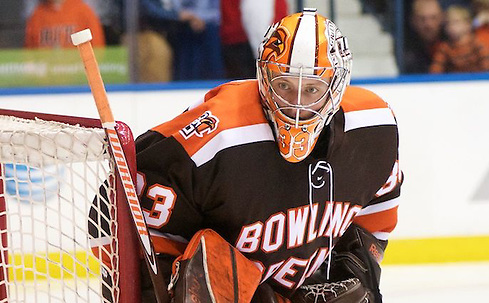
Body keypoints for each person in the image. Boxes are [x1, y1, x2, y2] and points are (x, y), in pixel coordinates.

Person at [91, 8, 402, 302]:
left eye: (312, 90)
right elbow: (111, 211)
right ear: (263, 79)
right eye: (284, 85)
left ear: (337, 86)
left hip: (289, 289)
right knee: (208, 265)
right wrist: (161, 288)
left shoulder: (373, 127)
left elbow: (375, 218)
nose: (296, 105)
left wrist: (353, 272)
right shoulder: (219, 133)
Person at [430, 5, 489, 73]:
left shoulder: (477, 45)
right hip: (453, 82)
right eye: (448, 23)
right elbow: (435, 71)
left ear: (467, 24)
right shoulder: (444, 48)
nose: (452, 27)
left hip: (476, 81)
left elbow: (487, 69)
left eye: (456, 22)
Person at [25, 0, 105, 48]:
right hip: (47, 73)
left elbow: (98, 50)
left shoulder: (83, 11)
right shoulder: (37, 14)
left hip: (78, 72)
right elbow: (29, 55)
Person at [403, 0, 444, 74]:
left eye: (433, 18)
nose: (428, 25)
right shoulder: (404, 50)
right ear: (413, 21)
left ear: (442, 18)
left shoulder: (453, 44)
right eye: (422, 19)